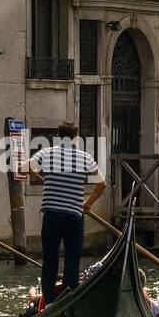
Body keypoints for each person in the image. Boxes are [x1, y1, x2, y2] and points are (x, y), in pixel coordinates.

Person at [21, 121, 105, 305]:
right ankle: (68, 300)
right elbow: (102, 185)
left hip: (52, 216)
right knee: (72, 261)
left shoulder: (48, 153)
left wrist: (35, 174)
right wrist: (88, 204)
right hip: (74, 216)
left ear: (58, 136)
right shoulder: (85, 157)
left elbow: (22, 168)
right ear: (76, 137)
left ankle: (49, 302)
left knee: (50, 260)